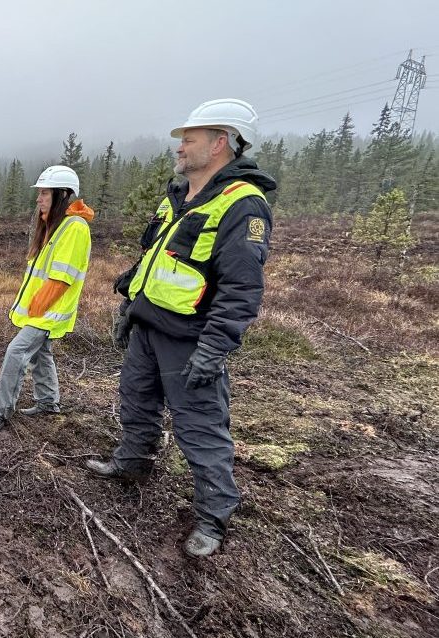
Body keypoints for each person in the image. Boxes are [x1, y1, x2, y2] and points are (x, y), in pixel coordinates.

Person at [86, 98, 276, 558]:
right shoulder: (177, 198)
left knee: (200, 427)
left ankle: (213, 516)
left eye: (189, 138)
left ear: (221, 143)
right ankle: (132, 464)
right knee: (135, 401)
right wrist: (130, 302)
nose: (180, 146)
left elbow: (241, 288)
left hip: (191, 339)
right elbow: (156, 259)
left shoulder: (242, 206)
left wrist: (214, 349)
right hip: (149, 327)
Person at [0, 165, 93, 433]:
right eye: (39, 193)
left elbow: (61, 278)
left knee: (16, 352)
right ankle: (48, 402)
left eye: (44, 193)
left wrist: (38, 307)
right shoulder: (56, 226)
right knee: (42, 352)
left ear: (62, 194)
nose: (39, 199)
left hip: (49, 310)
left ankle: (1, 410)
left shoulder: (74, 228)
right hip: (42, 309)